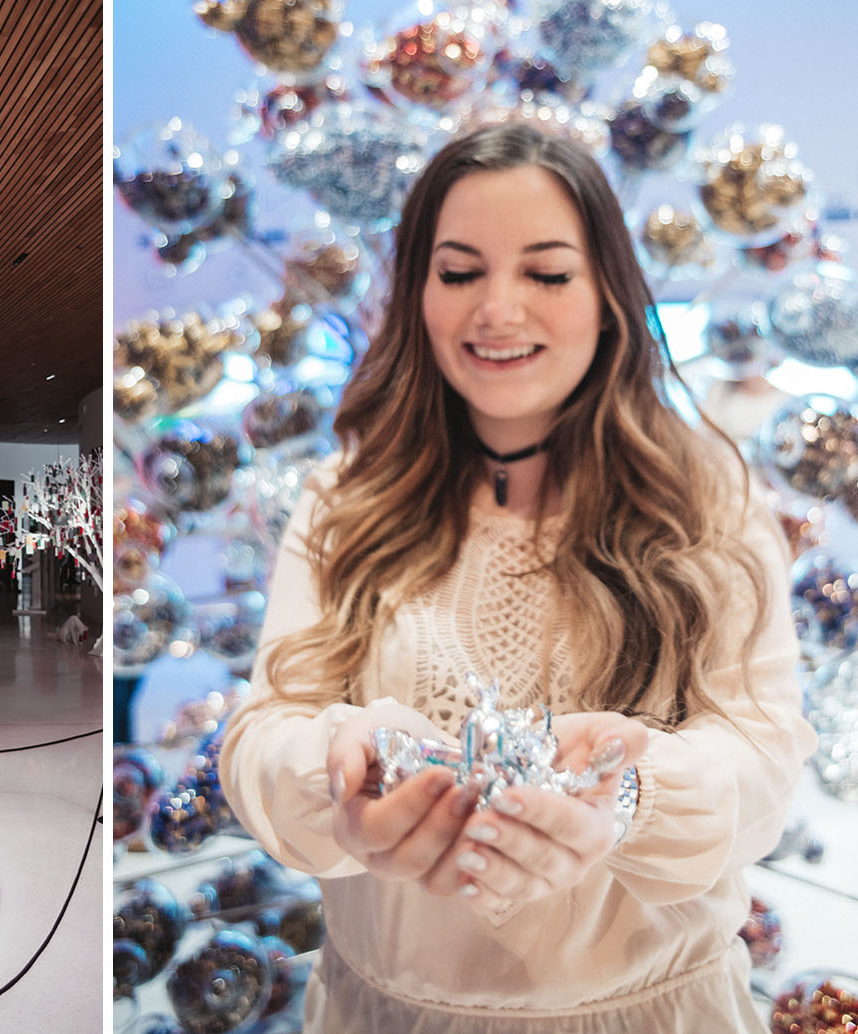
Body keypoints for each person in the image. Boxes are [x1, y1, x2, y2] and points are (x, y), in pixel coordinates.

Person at [221, 123, 816, 1033]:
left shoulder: (707, 493)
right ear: (419, 292)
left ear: (609, 292)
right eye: (460, 273)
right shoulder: (345, 498)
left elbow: (765, 760)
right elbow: (265, 727)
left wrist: (632, 794)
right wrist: (336, 775)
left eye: (546, 272)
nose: (498, 311)